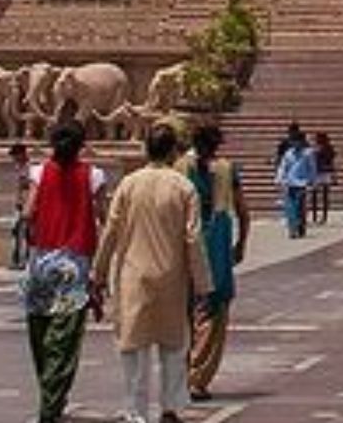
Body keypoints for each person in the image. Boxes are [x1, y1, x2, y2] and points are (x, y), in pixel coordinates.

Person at [97, 125, 213, 423]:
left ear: (145, 150)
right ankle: (170, 408)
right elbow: (193, 239)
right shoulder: (183, 188)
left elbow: (110, 231)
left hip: (133, 275)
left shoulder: (129, 184)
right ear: (173, 151)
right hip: (171, 276)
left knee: (133, 346)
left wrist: (98, 274)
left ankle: (136, 411)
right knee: (173, 345)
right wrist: (203, 284)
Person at [21, 123, 106, 423]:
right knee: (64, 340)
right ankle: (51, 404)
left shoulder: (39, 172)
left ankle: (50, 396)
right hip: (74, 262)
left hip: (42, 261)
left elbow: (28, 212)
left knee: (40, 332)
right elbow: (104, 218)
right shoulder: (94, 176)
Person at [181, 124, 247, 403]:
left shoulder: (179, 167)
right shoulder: (227, 169)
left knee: (187, 312)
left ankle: (184, 373)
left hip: (186, 246)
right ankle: (196, 377)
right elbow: (243, 211)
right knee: (213, 311)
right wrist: (241, 243)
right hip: (216, 245)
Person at [275, 127, 315, 238]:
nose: (295, 144)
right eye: (293, 141)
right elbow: (283, 167)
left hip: (302, 184)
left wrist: (312, 181)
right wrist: (279, 178)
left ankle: (300, 226)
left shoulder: (308, 153)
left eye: (297, 141)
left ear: (302, 142)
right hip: (290, 183)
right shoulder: (288, 154)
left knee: (299, 207)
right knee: (290, 207)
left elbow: (312, 168)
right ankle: (292, 229)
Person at [7, 141, 34, 269]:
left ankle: (25, 260)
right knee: (17, 232)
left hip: (27, 204)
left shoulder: (30, 168)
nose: (14, 159)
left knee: (26, 233)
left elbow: (29, 187)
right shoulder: (19, 167)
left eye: (15, 155)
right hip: (20, 204)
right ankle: (17, 259)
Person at [312, 130, 337, 225]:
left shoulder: (327, 148)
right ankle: (317, 216)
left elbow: (331, 161)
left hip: (323, 172)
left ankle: (321, 216)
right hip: (319, 172)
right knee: (317, 195)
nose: (317, 140)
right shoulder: (317, 148)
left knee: (322, 195)